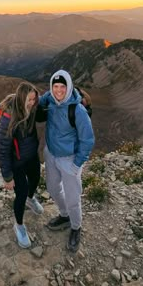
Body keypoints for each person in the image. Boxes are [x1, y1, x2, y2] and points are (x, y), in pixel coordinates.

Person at [38, 69, 95, 252]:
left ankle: (76, 227)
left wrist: (77, 164)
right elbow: (37, 105)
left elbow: (88, 139)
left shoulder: (77, 109)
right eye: (55, 86)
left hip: (70, 158)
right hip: (51, 154)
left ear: (69, 87)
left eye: (63, 86)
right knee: (53, 189)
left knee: (73, 197)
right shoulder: (50, 101)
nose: (59, 90)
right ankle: (65, 216)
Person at [0, 82, 44, 248]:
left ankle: (31, 200)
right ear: (22, 99)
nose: (33, 103)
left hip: (31, 156)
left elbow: (43, 110)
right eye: (30, 100)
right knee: (21, 192)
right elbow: (2, 150)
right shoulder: (9, 118)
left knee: (36, 178)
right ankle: (19, 226)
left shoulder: (32, 108)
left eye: (34, 99)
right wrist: (8, 177)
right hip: (16, 162)